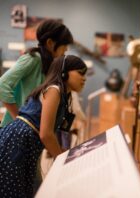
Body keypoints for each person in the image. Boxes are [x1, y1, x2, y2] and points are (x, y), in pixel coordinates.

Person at [0, 55, 87, 197]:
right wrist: (61, 159)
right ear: (64, 72)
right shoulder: (54, 90)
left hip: (26, 145)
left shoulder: (64, 95)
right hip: (17, 143)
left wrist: (61, 151)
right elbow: (45, 134)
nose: (84, 78)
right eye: (80, 72)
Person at [0, 19, 73, 128]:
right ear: (50, 43)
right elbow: (2, 85)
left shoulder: (49, 64)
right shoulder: (33, 59)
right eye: (64, 46)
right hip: (15, 133)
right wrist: (19, 119)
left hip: (31, 133)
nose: (66, 49)